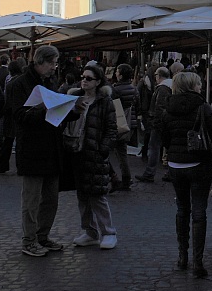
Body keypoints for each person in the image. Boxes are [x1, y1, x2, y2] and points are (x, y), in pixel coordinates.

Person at [155, 71, 212, 277]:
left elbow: (164, 136)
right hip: (198, 163)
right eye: (197, 84)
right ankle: (197, 261)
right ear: (191, 86)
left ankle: (182, 257)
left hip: (176, 164)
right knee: (199, 211)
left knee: (182, 209)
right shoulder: (202, 107)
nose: (200, 87)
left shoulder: (168, 108)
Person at [5, 45, 71, 258]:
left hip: (52, 147)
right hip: (32, 148)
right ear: (39, 62)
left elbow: (56, 113)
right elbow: (19, 116)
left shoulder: (50, 81)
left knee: (51, 198)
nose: (54, 67)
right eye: (51, 63)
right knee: (32, 199)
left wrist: (71, 110)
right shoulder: (19, 84)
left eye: (56, 63)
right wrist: (44, 108)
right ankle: (29, 240)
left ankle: (43, 236)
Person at [65, 65, 118, 250]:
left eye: (89, 78)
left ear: (97, 82)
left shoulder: (105, 101)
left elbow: (112, 129)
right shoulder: (74, 98)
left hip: (95, 152)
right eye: (83, 77)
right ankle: (90, 231)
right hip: (76, 151)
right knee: (82, 195)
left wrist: (103, 149)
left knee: (97, 195)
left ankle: (109, 232)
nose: (84, 80)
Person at [108, 64, 138, 192]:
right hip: (128, 123)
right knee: (122, 152)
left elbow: (112, 107)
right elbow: (138, 105)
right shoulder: (134, 89)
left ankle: (113, 177)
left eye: (117, 72)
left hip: (117, 123)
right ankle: (126, 179)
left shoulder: (115, 89)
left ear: (120, 74)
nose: (116, 74)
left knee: (104, 151)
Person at [139, 66, 172, 183]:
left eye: (156, 76)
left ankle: (150, 173)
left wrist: (155, 122)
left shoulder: (162, 89)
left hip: (160, 124)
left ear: (159, 76)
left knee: (154, 147)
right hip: (166, 122)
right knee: (169, 147)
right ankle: (170, 172)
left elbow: (160, 108)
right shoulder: (170, 86)